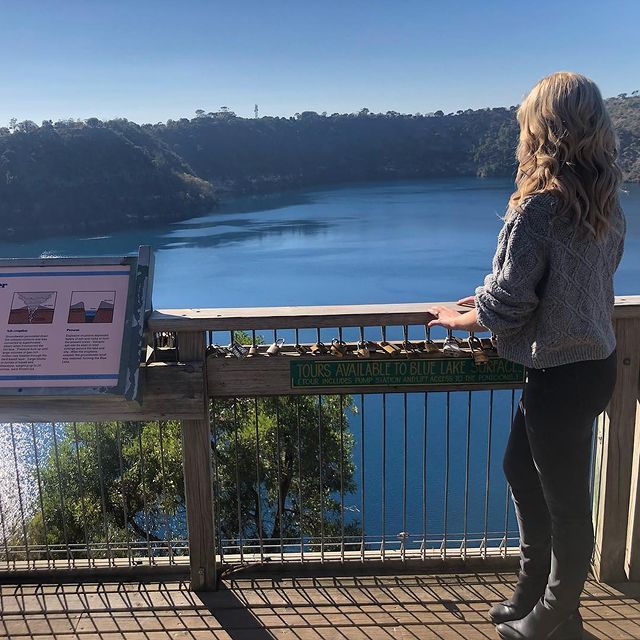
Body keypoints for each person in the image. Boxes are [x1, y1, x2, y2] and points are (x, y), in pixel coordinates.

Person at [427, 71, 626, 640]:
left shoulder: (540, 207)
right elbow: (567, 287)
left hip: (561, 374)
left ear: (543, 128)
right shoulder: (604, 204)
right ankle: (533, 586)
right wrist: (489, 297)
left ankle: (558, 615)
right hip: (591, 366)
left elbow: (510, 304)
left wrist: (457, 319)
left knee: (566, 505)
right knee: (521, 468)